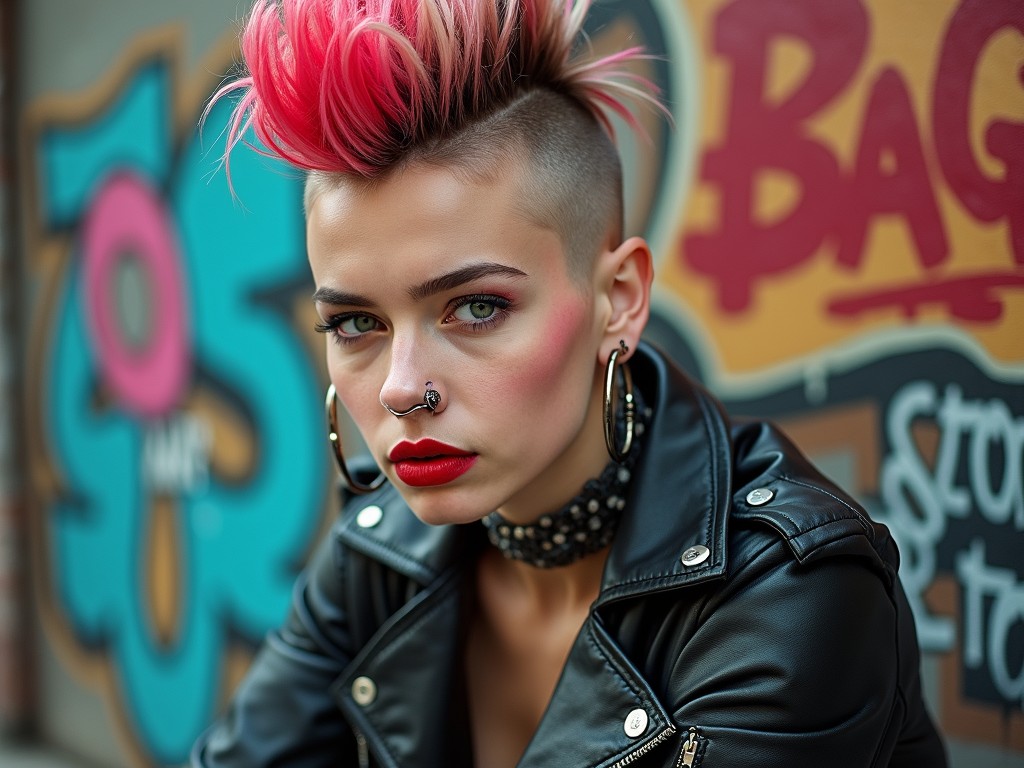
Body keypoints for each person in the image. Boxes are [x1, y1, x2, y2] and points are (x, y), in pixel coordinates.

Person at [192, 1, 947, 766]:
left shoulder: (789, 591)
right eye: (355, 324)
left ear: (618, 299)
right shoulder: (381, 558)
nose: (400, 388)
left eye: (476, 307)